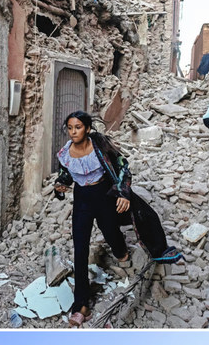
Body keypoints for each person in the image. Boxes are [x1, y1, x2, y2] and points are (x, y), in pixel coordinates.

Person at [53, 111, 181, 326]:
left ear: (88, 129)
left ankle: (121, 251)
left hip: (104, 194)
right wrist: (61, 185)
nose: (73, 132)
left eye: (78, 127)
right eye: (70, 128)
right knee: (80, 246)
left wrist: (122, 193)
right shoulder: (65, 153)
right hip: (82, 199)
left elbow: (123, 166)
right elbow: (65, 175)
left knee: (109, 228)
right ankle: (81, 304)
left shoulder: (100, 147)